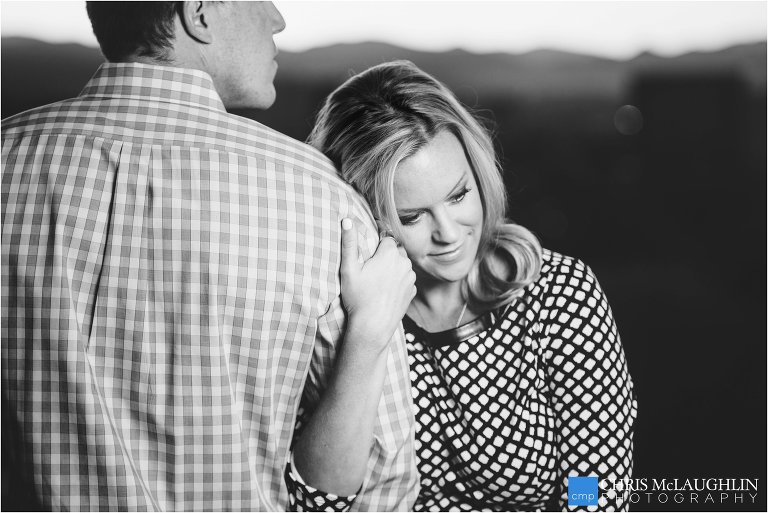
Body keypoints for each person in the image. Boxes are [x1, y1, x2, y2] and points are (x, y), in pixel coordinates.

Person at [1, 3, 418, 510]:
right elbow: (381, 475)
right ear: (197, 13)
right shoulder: (318, 198)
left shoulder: (7, 157)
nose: (277, 19)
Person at [288, 60, 638, 511]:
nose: (450, 234)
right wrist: (367, 332)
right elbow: (316, 504)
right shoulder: (337, 319)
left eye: (458, 195)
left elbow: (595, 488)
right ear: (364, 217)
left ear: (479, 173)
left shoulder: (560, 293)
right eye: (412, 216)